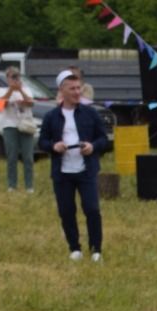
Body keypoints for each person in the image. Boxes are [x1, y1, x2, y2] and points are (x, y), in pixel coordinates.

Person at [37, 69, 108, 262]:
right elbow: (41, 142)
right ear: (62, 90)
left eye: (79, 88)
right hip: (62, 172)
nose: (77, 92)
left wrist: (92, 147)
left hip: (86, 170)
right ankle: (74, 248)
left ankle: (96, 250)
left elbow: (104, 139)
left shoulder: (90, 113)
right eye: (72, 89)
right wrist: (54, 146)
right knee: (67, 211)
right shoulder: (51, 116)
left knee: (92, 209)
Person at [0, 67, 37, 194]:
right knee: (11, 155)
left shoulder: (27, 89)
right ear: (7, 78)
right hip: (10, 125)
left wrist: (20, 90)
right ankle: (12, 185)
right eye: (12, 77)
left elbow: (30, 103)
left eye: (17, 76)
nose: (15, 79)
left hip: (25, 124)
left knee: (28, 156)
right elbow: (0, 105)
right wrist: (11, 90)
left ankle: (29, 185)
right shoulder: (2, 90)